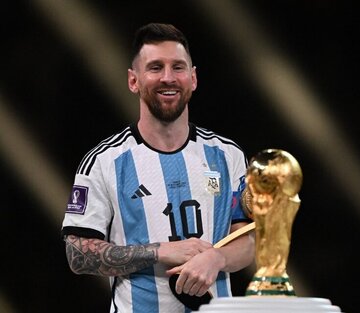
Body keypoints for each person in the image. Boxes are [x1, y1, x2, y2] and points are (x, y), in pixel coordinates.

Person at [61, 22, 255, 313]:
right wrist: (160, 251)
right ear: (133, 81)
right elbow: (77, 254)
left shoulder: (228, 155)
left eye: (178, 67)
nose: (168, 78)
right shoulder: (103, 162)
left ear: (193, 78)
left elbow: (247, 240)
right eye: (155, 67)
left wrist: (217, 258)